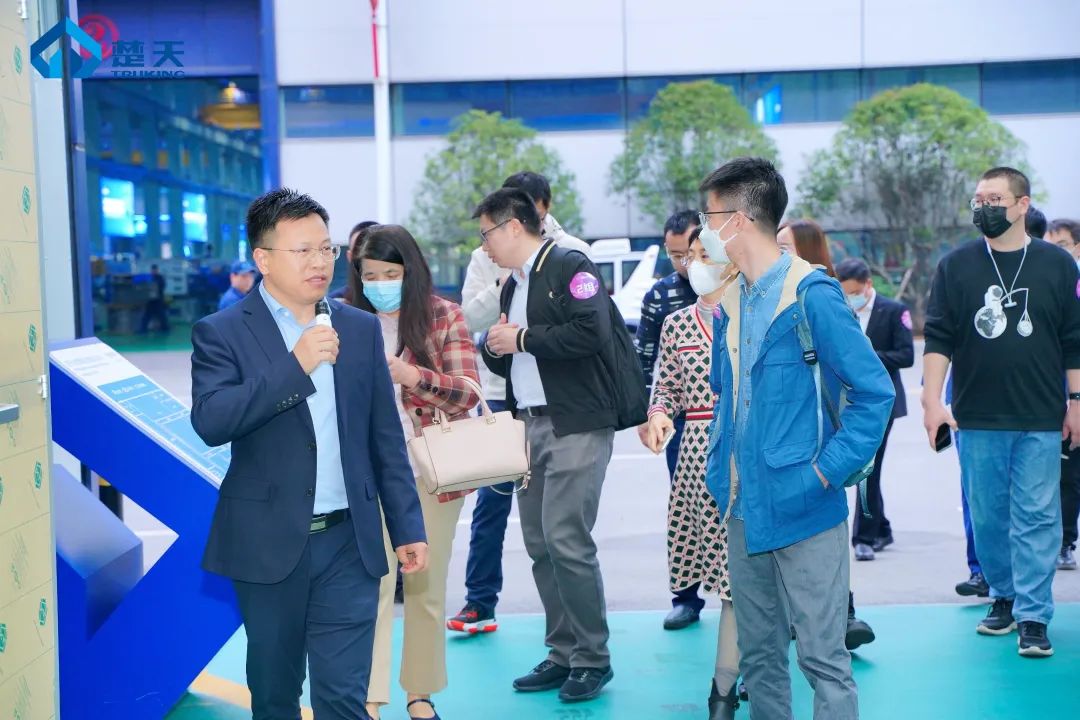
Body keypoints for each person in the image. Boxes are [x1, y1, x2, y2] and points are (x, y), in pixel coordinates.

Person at [190, 188, 428, 720]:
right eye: (303, 250)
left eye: (326, 248)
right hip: (268, 544)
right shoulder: (222, 332)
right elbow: (211, 421)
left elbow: (384, 439)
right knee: (275, 695)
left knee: (344, 697)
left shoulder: (358, 328)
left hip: (349, 541)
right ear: (263, 258)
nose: (320, 262)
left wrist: (407, 527)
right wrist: (294, 366)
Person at [700, 158, 894, 720]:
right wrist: (719, 470)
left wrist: (824, 474)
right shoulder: (730, 302)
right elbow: (727, 398)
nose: (703, 231)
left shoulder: (812, 295)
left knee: (823, 660)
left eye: (709, 217)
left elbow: (874, 394)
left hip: (807, 507)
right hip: (743, 507)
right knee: (760, 656)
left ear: (737, 220)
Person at [923, 166, 1080, 658]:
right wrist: (932, 402)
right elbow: (939, 337)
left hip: (1040, 415)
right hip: (976, 416)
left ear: (1022, 205)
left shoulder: (1058, 265)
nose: (983, 207)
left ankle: (1034, 615)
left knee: (1037, 516)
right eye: (978, 199)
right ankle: (1004, 595)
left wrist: (1077, 402)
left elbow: (1074, 340)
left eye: (994, 199)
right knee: (988, 516)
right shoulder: (956, 266)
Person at [476, 187, 621, 703]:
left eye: (487, 234)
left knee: (566, 539)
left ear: (514, 227)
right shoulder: (513, 285)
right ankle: (563, 653)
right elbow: (509, 356)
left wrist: (521, 339)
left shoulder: (569, 265)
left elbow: (591, 331)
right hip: (530, 423)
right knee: (540, 543)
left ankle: (592, 658)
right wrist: (496, 346)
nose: (484, 246)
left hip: (575, 422)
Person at [448, 171, 590, 635]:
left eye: (534, 212)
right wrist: (509, 277)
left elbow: (588, 330)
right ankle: (480, 600)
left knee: (563, 529)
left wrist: (524, 321)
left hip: (561, 405)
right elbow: (470, 318)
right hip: (500, 397)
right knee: (494, 505)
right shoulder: (487, 258)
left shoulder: (572, 253)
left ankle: (582, 641)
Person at [349, 224, 481, 720]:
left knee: (425, 585)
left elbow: (468, 392)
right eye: (370, 275)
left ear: (412, 271)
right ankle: (369, 696)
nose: (380, 284)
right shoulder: (345, 320)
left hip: (431, 472)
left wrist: (412, 375)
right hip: (367, 475)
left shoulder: (444, 315)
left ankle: (419, 693)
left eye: (391, 274)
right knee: (372, 586)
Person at [644, 227, 742, 718]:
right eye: (691, 255)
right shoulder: (677, 324)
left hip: (746, 450)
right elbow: (665, 385)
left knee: (746, 569)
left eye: (707, 254)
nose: (695, 263)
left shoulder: (753, 312)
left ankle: (737, 675)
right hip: (697, 456)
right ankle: (733, 675)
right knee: (725, 573)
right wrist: (659, 413)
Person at [772, 218, 878, 651]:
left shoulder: (821, 298)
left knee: (824, 537)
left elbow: (868, 385)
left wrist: (828, 465)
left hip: (823, 442)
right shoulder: (765, 296)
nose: (774, 251)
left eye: (784, 245)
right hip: (785, 449)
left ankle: (842, 614)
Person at [632, 210, 704, 630]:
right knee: (685, 507)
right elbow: (645, 357)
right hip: (681, 420)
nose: (682, 263)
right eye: (673, 255)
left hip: (728, 416)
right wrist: (646, 413)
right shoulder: (661, 296)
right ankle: (686, 597)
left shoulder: (732, 284)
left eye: (688, 254)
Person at [835, 258, 914, 561]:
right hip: (847, 402)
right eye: (845, 293)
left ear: (868, 284)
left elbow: (906, 355)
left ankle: (863, 538)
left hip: (882, 403)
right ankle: (882, 527)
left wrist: (866, 357)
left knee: (869, 466)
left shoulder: (893, 311)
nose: (851, 297)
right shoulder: (839, 310)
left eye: (855, 292)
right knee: (865, 465)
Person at [1048, 219, 1080, 570]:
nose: (1055, 252)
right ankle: (1063, 542)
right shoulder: (1048, 285)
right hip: (1059, 394)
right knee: (1065, 474)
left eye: (1063, 245)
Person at [331, 221, 378, 302]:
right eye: (359, 251)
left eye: (374, 250)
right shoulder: (336, 302)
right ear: (349, 257)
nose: (368, 257)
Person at [138, 264, 170, 333]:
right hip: (150, 300)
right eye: (153, 270)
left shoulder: (160, 278)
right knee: (147, 315)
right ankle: (143, 329)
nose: (154, 271)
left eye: (155, 270)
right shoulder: (149, 278)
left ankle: (165, 328)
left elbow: (162, 286)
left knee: (161, 315)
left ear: (157, 270)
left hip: (158, 300)